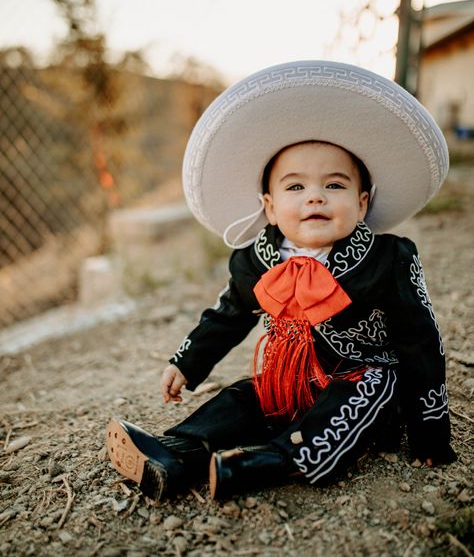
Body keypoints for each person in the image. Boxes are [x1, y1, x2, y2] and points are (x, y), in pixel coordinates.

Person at [106, 60, 456, 502]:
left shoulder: (387, 258)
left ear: (362, 203)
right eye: (295, 188)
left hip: (358, 382)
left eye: (334, 185)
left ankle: (268, 462)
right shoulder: (256, 260)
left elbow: (420, 339)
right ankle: (180, 451)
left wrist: (430, 431)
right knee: (246, 396)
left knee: (370, 387)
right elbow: (228, 316)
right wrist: (186, 363)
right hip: (289, 382)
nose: (314, 196)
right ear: (269, 207)